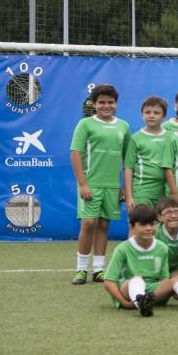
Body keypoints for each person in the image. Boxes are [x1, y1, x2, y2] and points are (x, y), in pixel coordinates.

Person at [103, 204, 178, 316]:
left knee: (176, 279)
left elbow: (163, 279)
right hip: (128, 291)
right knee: (137, 279)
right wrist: (124, 303)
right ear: (132, 226)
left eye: (152, 224)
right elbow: (109, 282)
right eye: (143, 225)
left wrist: (168, 291)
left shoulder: (162, 247)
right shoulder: (123, 248)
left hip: (151, 292)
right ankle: (140, 303)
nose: (148, 228)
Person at [70, 84, 130, 285]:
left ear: (116, 104)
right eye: (102, 102)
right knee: (88, 224)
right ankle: (81, 270)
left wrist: (124, 187)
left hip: (112, 186)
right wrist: (83, 184)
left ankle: (98, 269)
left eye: (110, 102)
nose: (106, 106)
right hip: (91, 184)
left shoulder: (123, 126)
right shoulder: (85, 124)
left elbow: (127, 160)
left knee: (104, 225)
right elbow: (75, 153)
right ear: (94, 104)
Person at [123, 95, 178, 210]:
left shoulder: (171, 137)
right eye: (147, 112)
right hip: (142, 192)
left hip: (164, 193)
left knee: (159, 227)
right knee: (140, 225)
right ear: (142, 115)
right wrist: (129, 196)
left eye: (156, 113)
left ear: (164, 116)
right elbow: (128, 167)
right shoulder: (135, 138)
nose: (151, 115)